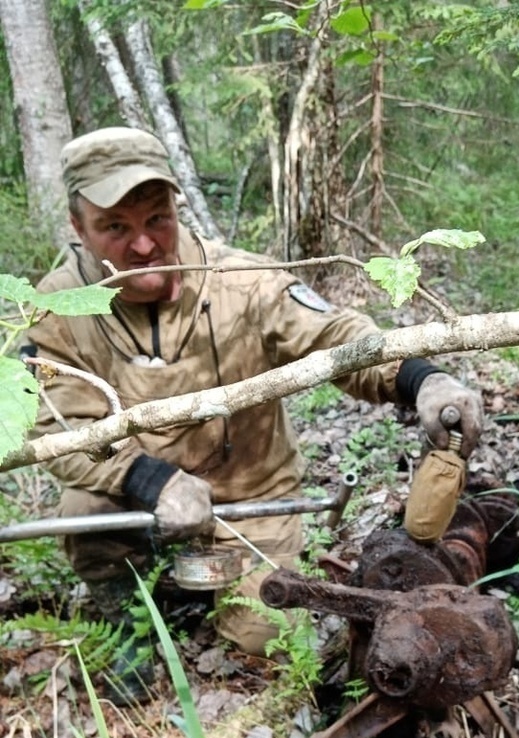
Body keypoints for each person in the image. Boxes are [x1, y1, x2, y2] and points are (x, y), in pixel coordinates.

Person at [25, 126, 484, 705]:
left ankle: (219, 594)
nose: (143, 246)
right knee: (83, 512)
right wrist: (152, 481)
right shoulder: (53, 310)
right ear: (78, 227)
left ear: (175, 208)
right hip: (135, 493)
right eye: (115, 227)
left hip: (252, 493)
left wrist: (421, 379)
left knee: (264, 640)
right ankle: (129, 619)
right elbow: (58, 426)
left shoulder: (241, 279)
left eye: (157, 219)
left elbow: (336, 337)